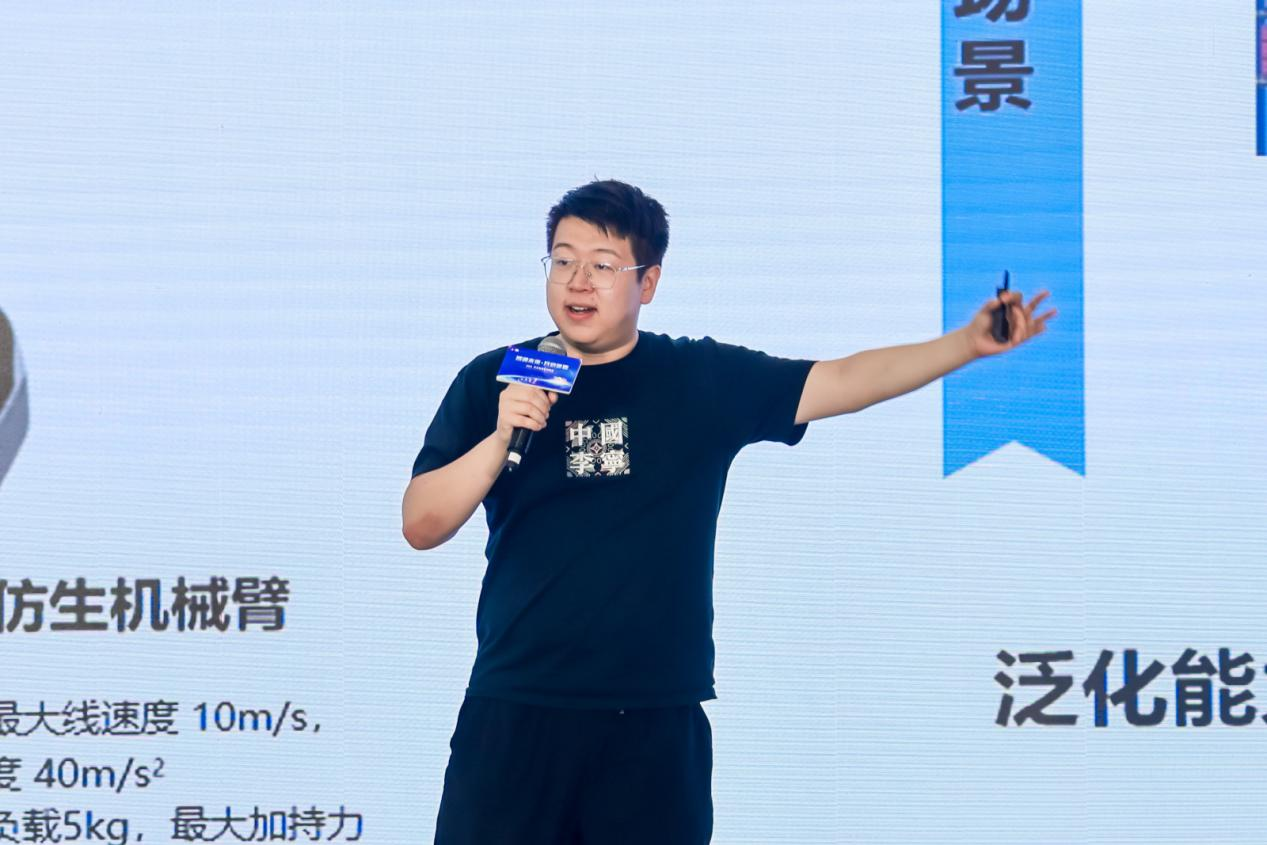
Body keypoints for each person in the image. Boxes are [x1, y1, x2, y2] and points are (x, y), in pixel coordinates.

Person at [402, 180, 1055, 844]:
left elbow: (840, 380)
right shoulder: (499, 379)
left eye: (602, 264)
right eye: (563, 260)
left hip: (652, 721)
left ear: (647, 282)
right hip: (514, 708)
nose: (578, 280)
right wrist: (500, 438)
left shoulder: (697, 378)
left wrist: (965, 345)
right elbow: (422, 524)